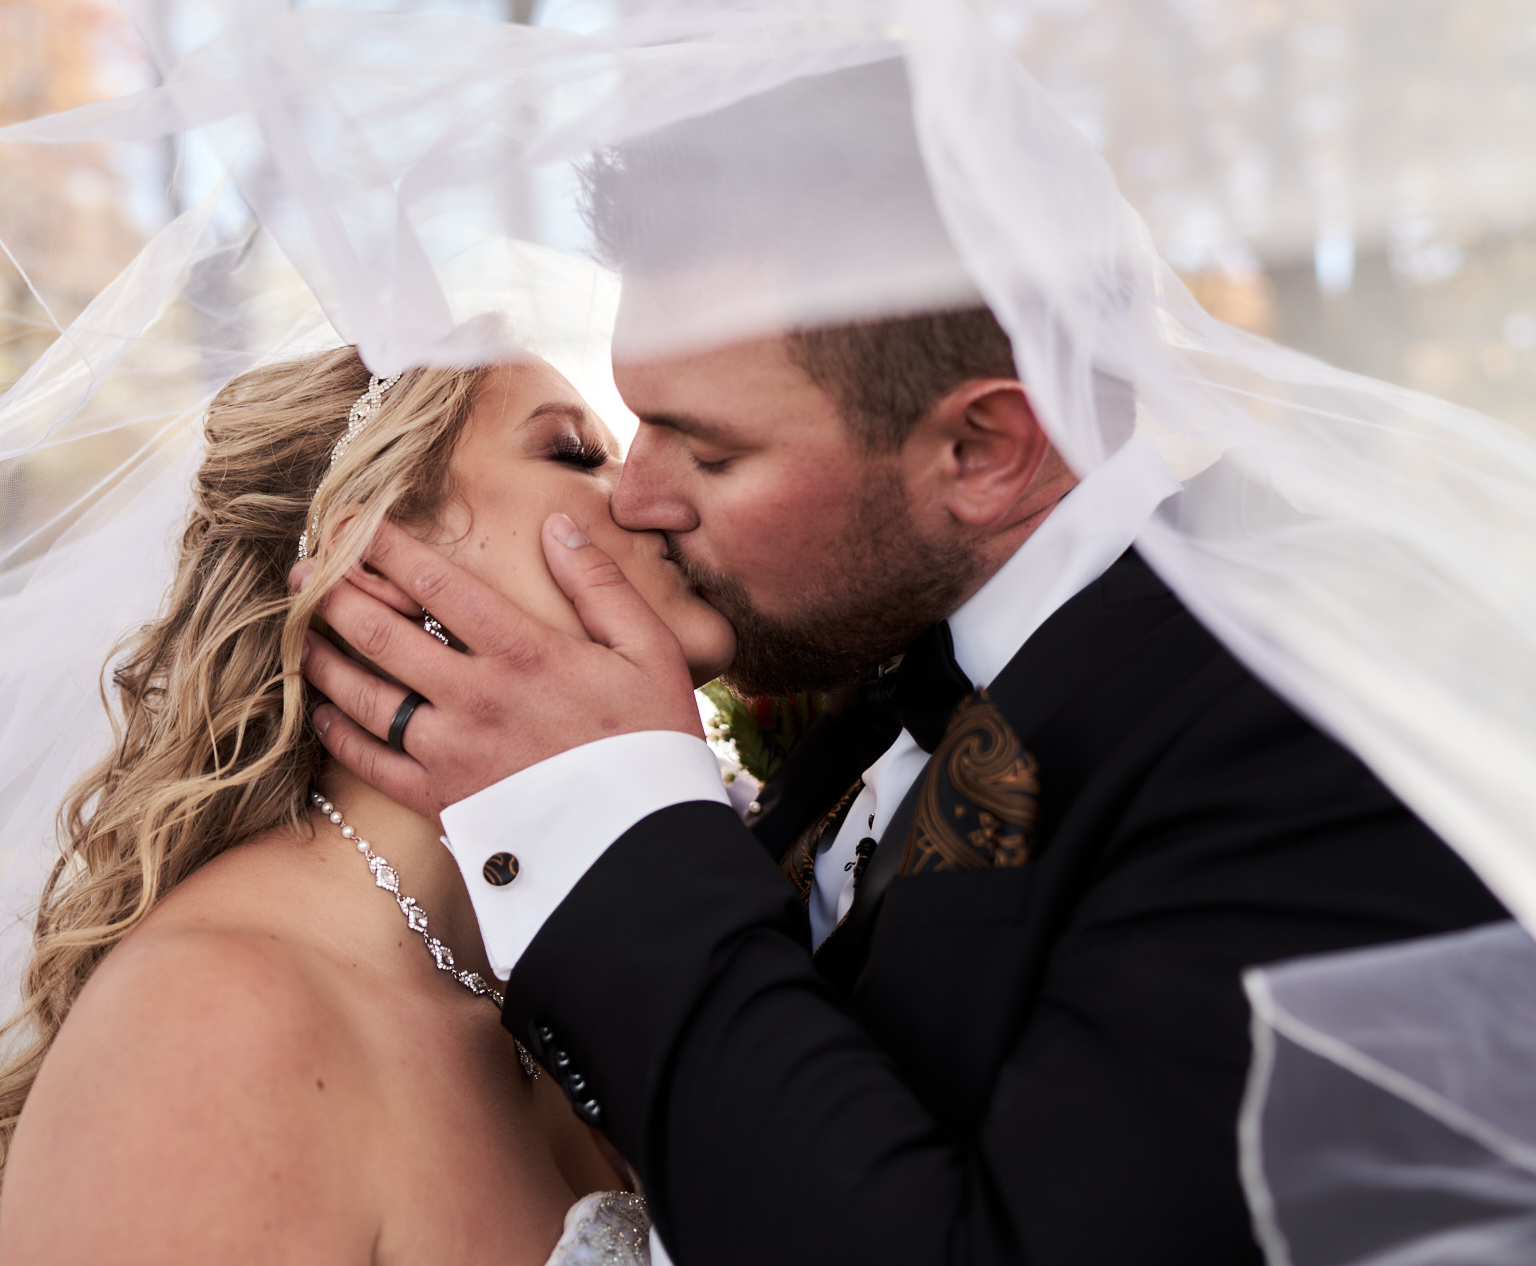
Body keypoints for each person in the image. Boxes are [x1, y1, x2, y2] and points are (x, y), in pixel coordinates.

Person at [298, 74, 1514, 1265]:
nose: (637, 491)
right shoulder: (890, 693)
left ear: (982, 448)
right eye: (629, 425)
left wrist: (608, 822)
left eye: (708, 452)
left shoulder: (1299, 726)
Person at [0, 344, 733, 1264]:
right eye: (576, 454)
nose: (644, 497)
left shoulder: (564, 976)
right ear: (374, 565)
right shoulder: (212, 1030)